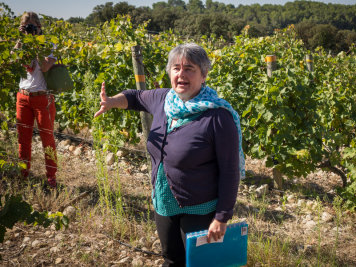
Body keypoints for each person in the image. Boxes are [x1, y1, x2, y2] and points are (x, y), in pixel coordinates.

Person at [94, 43, 246, 266]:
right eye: (176, 68)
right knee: (171, 259)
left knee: (200, 263)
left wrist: (222, 217)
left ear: (203, 75)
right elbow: (135, 97)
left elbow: (230, 172)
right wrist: (112, 102)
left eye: (189, 69)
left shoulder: (217, 118)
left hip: (200, 208)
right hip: (164, 203)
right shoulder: (163, 99)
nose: (181, 74)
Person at [15, 12, 58, 188]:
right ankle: (23, 174)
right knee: (22, 138)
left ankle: (51, 177)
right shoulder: (21, 44)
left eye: (33, 25)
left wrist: (36, 43)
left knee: (47, 139)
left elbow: (46, 66)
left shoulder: (49, 44)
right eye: (27, 26)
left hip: (42, 98)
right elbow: (12, 60)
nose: (30, 29)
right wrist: (21, 40)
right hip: (23, 97)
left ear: (39, 27)